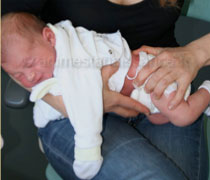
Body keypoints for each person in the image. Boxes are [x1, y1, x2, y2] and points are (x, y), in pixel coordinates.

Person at [2, 0, 210, 179]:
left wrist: (196, 53)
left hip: (158, 85)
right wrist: (76, 102)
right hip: (70, 107)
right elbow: (7, 42)